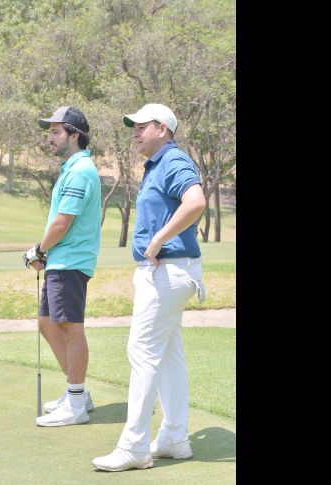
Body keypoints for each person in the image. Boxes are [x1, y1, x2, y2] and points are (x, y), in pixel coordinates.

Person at [92, 104, 206, 471]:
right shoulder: (157, 164)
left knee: (142, 352)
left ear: (162, 128)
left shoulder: (173, 161)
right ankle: (174, 438)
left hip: (168, 270)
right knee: (169, 357)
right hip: (170, 271)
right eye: (133, 127)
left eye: (141, 126)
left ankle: (135, 446)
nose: (135, 132)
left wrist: (157, 240)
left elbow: (196, 202)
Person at [23, 106, 102, 427]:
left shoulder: (81, 170)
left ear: (74, 135)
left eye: (56, 132)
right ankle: (78, 395)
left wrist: (38, 250)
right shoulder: (72, 168)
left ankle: (76, 400)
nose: (50, 138)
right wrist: (44, 253)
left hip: (71, 262)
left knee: (70, 327)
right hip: (61, 261)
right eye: (50, 132)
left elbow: (63, 222)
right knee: (47, 322)